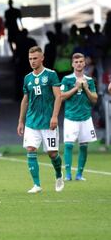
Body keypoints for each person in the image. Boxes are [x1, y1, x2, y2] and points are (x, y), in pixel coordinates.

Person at [17, 46, 64, 194]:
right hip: (32, 121)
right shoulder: (27, 78)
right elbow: (25, 100)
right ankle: (37, 185)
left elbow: (59, 96)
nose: (32, 61)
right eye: (30, 59)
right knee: (30, 150)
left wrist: (55, 116)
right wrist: (21, 121)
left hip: (48, 122)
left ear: (42, 58)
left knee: (52, 153)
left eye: (35, 58)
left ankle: (58, 175)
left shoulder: (51, 75)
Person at [61, 53, 98, 181]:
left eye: (81, 61)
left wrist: (86, 89)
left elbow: (94, 99)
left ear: (84, 63)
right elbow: (61, 96)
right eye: (76, 62)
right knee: (69, 145)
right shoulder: (66, 79)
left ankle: (79, 174)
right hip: (71, 117)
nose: (79, 64)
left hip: (86, 118)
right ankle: (68, 174)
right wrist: (75, 88)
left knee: (84, 146)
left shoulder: (89, 80)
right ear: (72, 64)